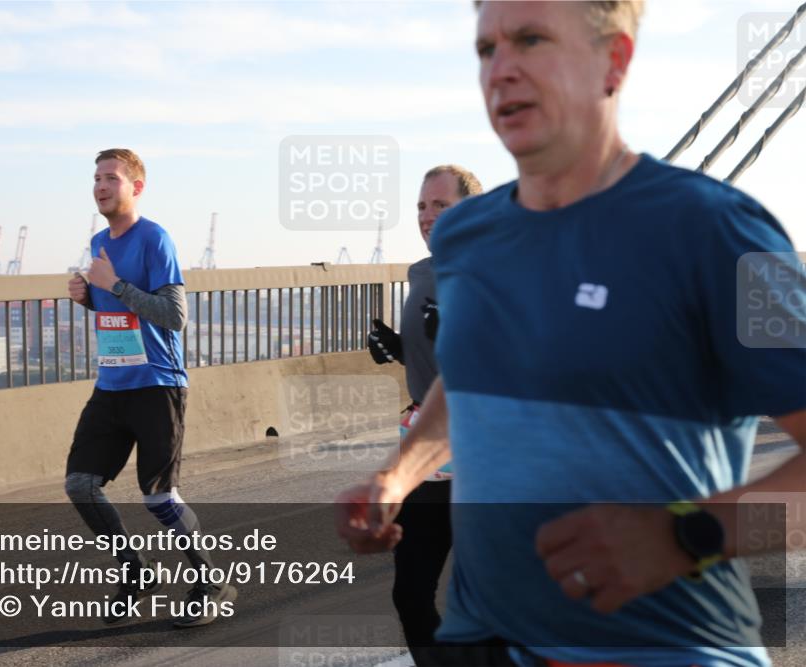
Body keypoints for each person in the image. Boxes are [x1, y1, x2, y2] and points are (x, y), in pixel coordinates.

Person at [337, 2, 806, 666]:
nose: (501, 70)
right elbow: (471, 381)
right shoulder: (468, 238)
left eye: (531, 40)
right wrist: (396, 478)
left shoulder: (720, 233)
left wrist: (683, 535)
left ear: (612, 60)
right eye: (486, 49)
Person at [65, 148, 236, 627]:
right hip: (112, 385)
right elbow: (118, 316)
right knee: (80, 485)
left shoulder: (154, 238)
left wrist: (114, 285)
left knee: (158, 497)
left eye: (111, 178)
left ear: (135, 187)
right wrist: (85, 298)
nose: (101, 186)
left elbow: (173, 317)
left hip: (158, 385)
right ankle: (134, 571)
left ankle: (210, 582)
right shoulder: (100, 240)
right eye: (96, 178)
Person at [366, 164, 481, 664]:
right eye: (420, 206)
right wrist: (397, 347)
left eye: (441, 206)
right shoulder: (420, 272)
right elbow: (430, 358)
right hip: (427, 456)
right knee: (410, 593)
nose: (427, 216)